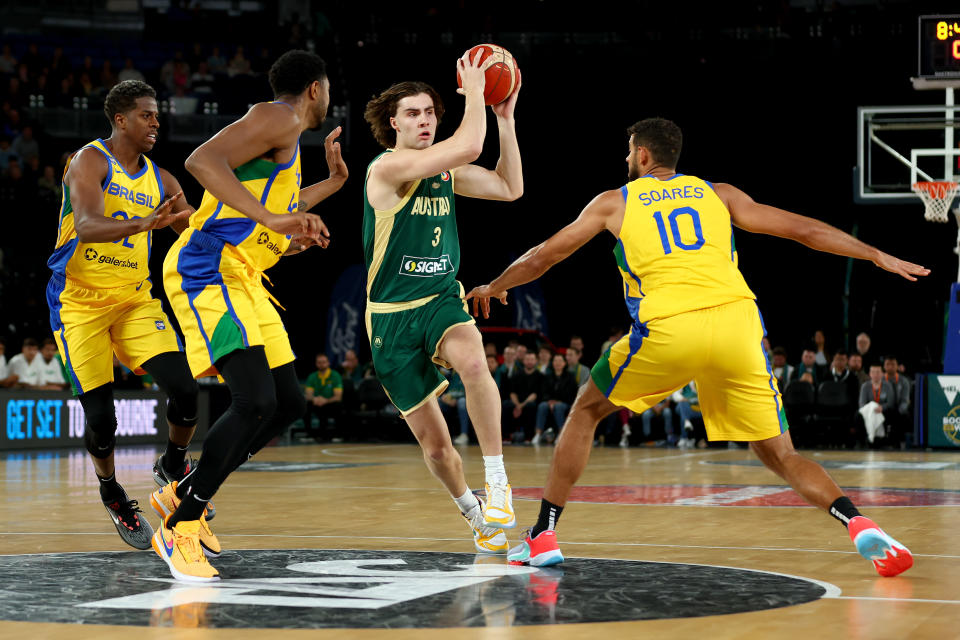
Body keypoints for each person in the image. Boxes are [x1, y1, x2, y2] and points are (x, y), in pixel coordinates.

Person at [467, 117, 923, 577]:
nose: (626, 159)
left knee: (586, 410)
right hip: (738, 327)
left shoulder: (615, 202)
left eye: (629, 151)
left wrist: (495, 286)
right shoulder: (720, 194)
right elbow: (799, 229)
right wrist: (872, 253)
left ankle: (543, 532)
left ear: (643, 155)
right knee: (780, 453)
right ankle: (859, 522)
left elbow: (546, 254)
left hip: (669, 327)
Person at [155, 50, 344, 582]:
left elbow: (266, 217)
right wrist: (271, 216)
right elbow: (200, 162)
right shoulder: (277, 116)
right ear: (315, 87)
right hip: (208, 268)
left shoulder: (287, 140)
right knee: (253, 399)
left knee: (287, 403)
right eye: (328, 87)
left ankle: (184, 493)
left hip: (244, 276)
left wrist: (325, 191)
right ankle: (181, 524)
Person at [360, 50, 522, 554]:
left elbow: (509, 187)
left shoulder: (446, 175)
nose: (425, 120)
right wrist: (475, 89)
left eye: (430, 112)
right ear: (394, 124)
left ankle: (498, 485)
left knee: (475, 361)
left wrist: (506, 120)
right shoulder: (388, 169)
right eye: (413, 113)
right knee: (437, 447)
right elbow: (469, 144)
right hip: (389, 319)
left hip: (439, 301)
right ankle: (473, 511)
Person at [44, 80, 203, 554]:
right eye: (147, 115)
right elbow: (89, 224)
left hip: (134, 301)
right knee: (101, 420)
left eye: (157, 115)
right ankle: (112, 492)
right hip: (79, 302)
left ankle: (173, 464)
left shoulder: (163, 180)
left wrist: (275, 229)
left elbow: (199, 230)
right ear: (120, 120)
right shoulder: (89, 161)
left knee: (186, 390)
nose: (157, 123)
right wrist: (142, 223)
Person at [534, 353, 577, 444]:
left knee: (559, 407)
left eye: (560, 361)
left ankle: (561, 434)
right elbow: (543, 392)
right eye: (555, 361)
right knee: (542, 406)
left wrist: (557, 401)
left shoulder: (570, 377)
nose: (557, 363)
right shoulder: (547, 376)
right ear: (552, 363)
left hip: (564, 402)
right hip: (549, 402)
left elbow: (571, 393)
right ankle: (538, 434)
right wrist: (550, 401)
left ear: (564, 363)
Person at [304, 352, 343, 439]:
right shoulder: (312, 376)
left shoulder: (335, 375)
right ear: (316, 363)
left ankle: (337, 434)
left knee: (338, 405)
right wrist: (315, 399)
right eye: (319, 362)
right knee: (305, 406)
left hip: (330, 403)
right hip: (317, 403)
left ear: (328, 363)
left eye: (324, 362)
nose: (321, 364)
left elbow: (338, 396)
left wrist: (326, 400)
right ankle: (309, 434)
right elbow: (308, 395)